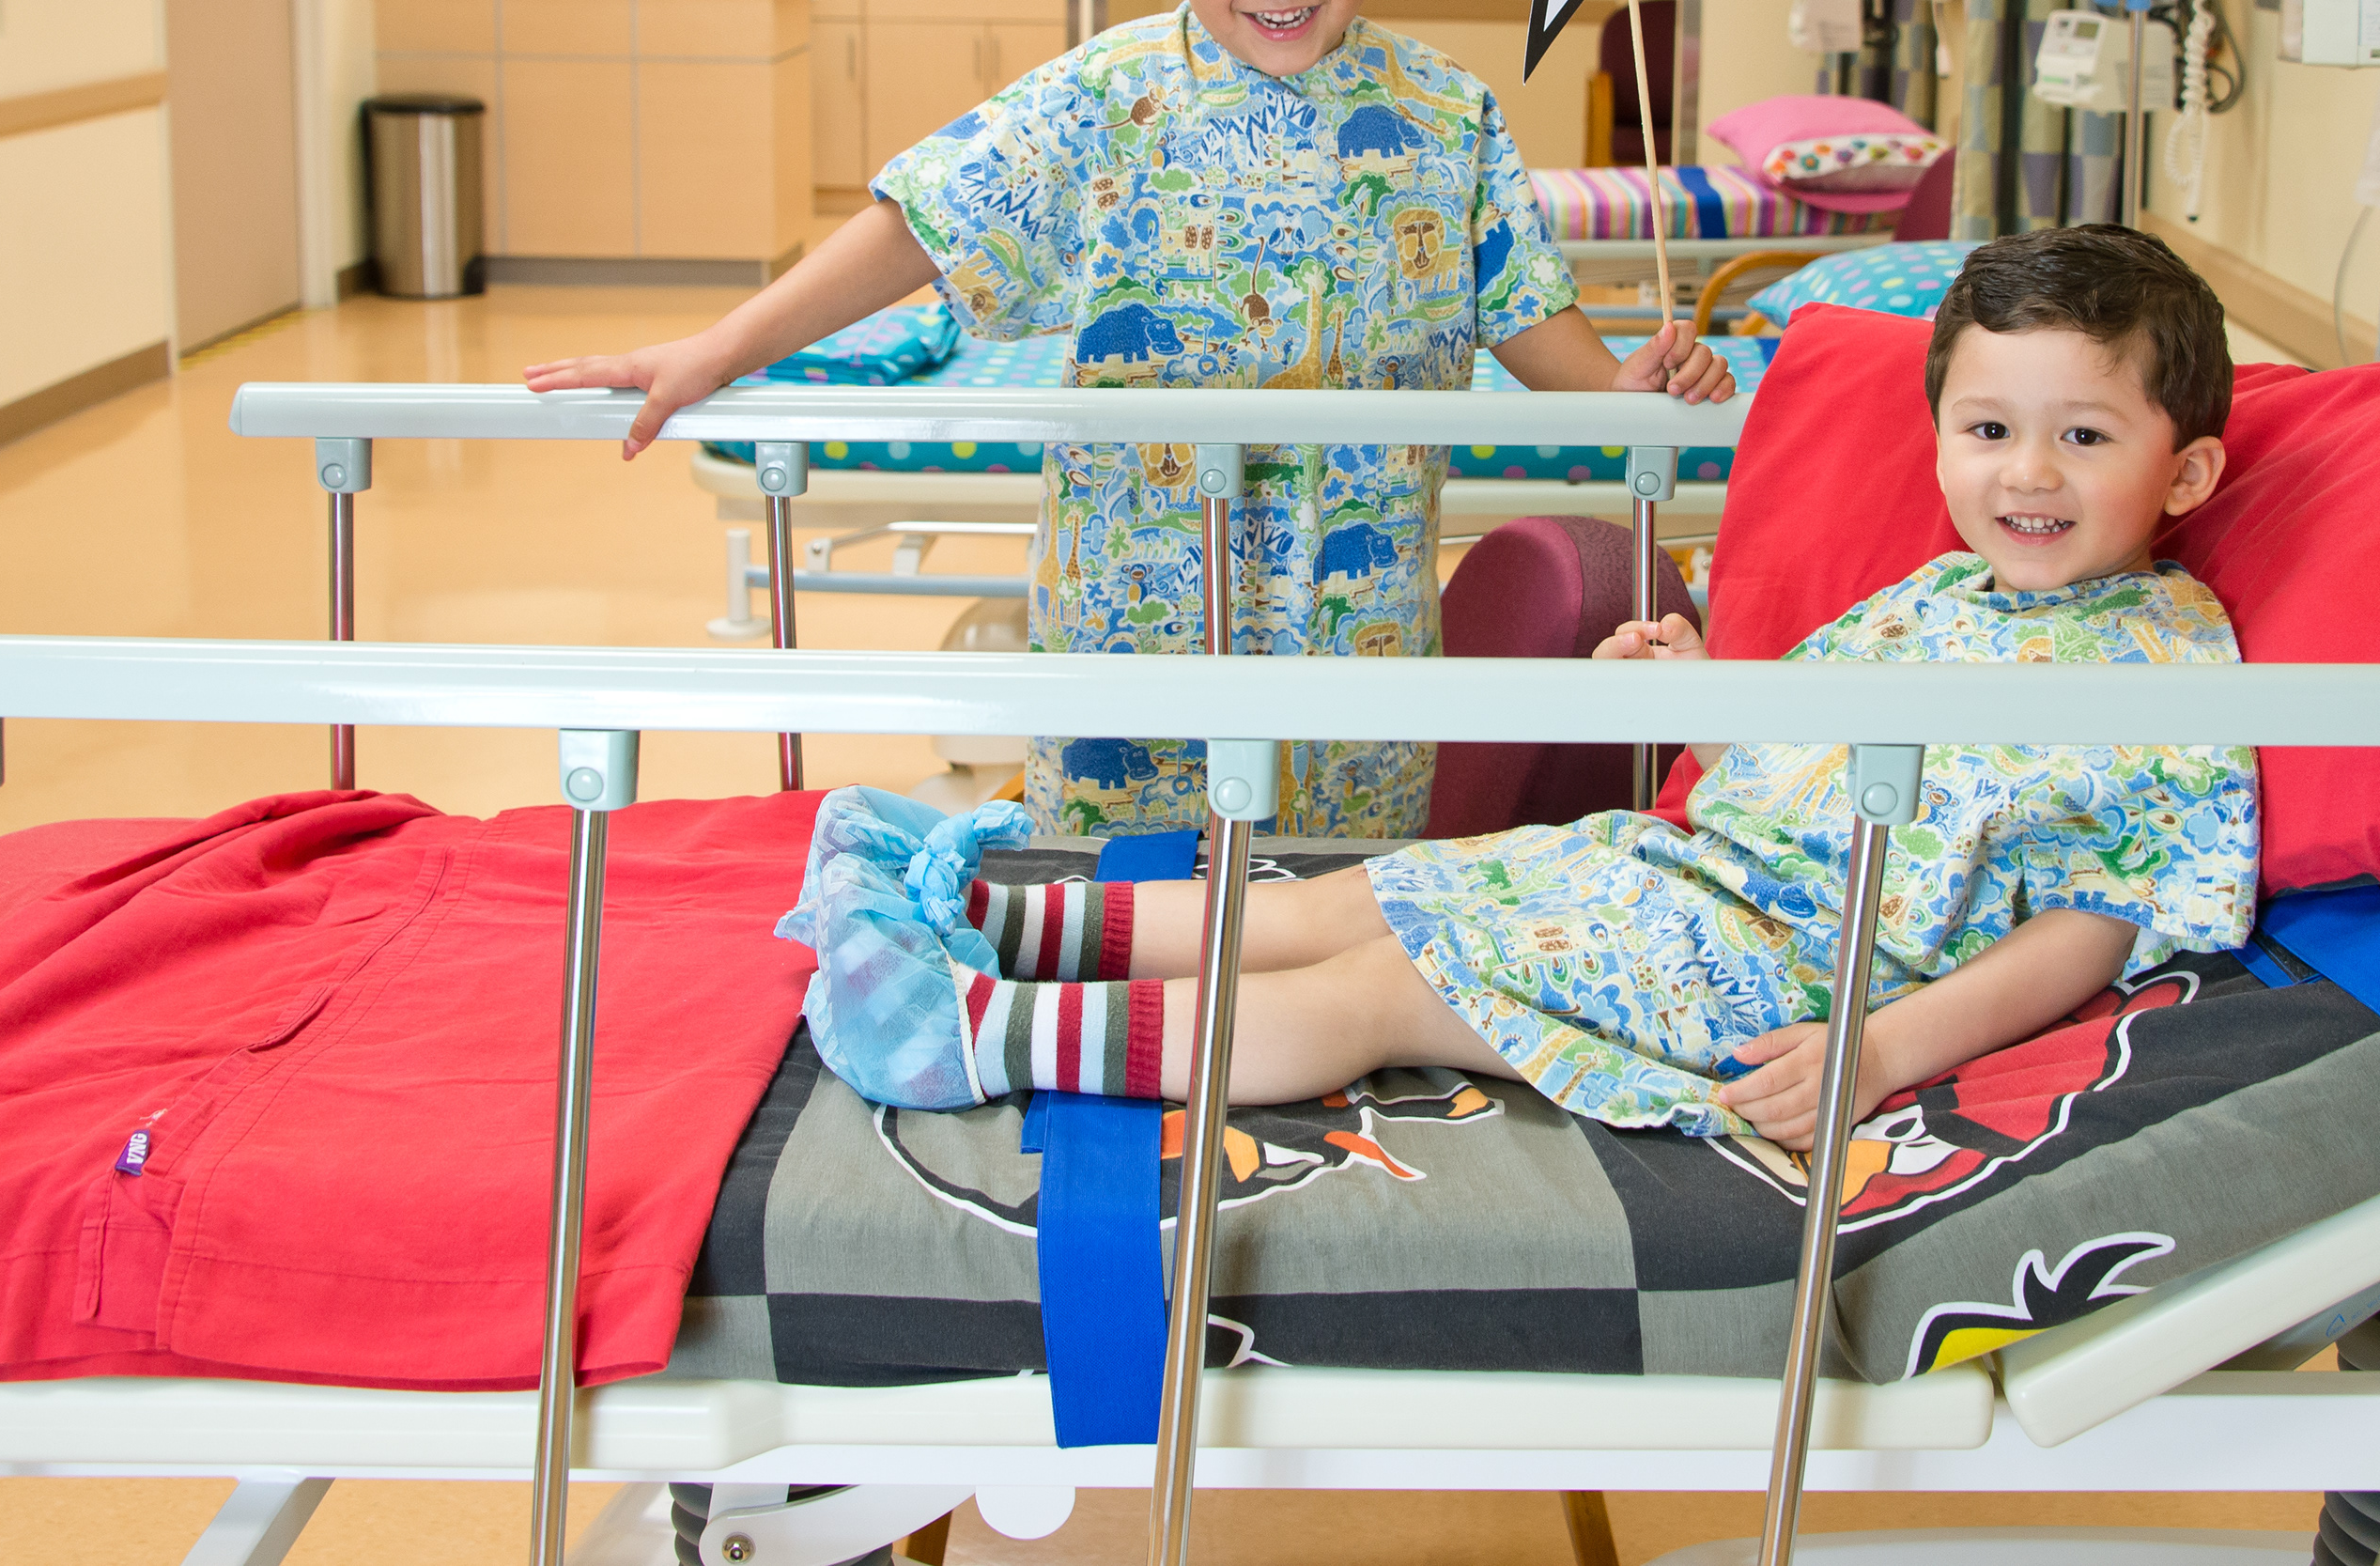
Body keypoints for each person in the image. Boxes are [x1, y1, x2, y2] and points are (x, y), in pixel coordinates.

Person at [791, 225, 2260, 1147]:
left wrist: (1880, 1047)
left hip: (1791, 972)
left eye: (2082, 436)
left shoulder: (2160, 658)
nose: (2025, 472)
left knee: (1377, 984)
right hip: (1678, 868)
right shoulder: (1939, 595)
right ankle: (981, 912)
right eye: (1991, 425)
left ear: (2183, 466)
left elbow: (2098, 913)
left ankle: (973, 1035)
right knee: (1345, 896)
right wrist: (1701, 686)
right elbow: (1797, 737)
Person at [527, 0, 1731, 839]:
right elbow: (923, 223)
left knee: (1314, 960)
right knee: (1133, 955)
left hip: (1357, 680)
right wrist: (715, 350)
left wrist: (1642, 384)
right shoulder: (1104, 101)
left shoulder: (1445, 118)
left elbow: (1543, 338)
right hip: (1133, 664)